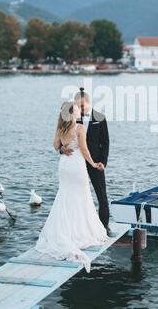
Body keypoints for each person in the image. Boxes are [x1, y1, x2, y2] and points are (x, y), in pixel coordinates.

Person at [35, 101, 109, 273]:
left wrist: (63, 147)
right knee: (82, 197)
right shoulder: (79, 128)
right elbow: (84, 149)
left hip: (64, 166)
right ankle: (80, 231)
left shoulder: (60, 128)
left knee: (65, 196)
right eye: (76, 110)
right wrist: (94, 163)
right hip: (76, 166)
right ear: (73, 113)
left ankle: (67, 230)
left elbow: (55, 146)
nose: (79, 111)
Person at [60, 91, 114, 237]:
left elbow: (106, 142)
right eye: (77, 106)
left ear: (89, 102)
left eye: (82, 106)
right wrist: (61, 149)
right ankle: (75, 228)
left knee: (102, 196)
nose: (80, 109)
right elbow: (61, 138)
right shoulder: (73, 117)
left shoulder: (100, 118)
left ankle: (104, 227)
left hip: (95, 162)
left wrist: (103, 162)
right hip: (76, 162)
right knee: (76, 196)